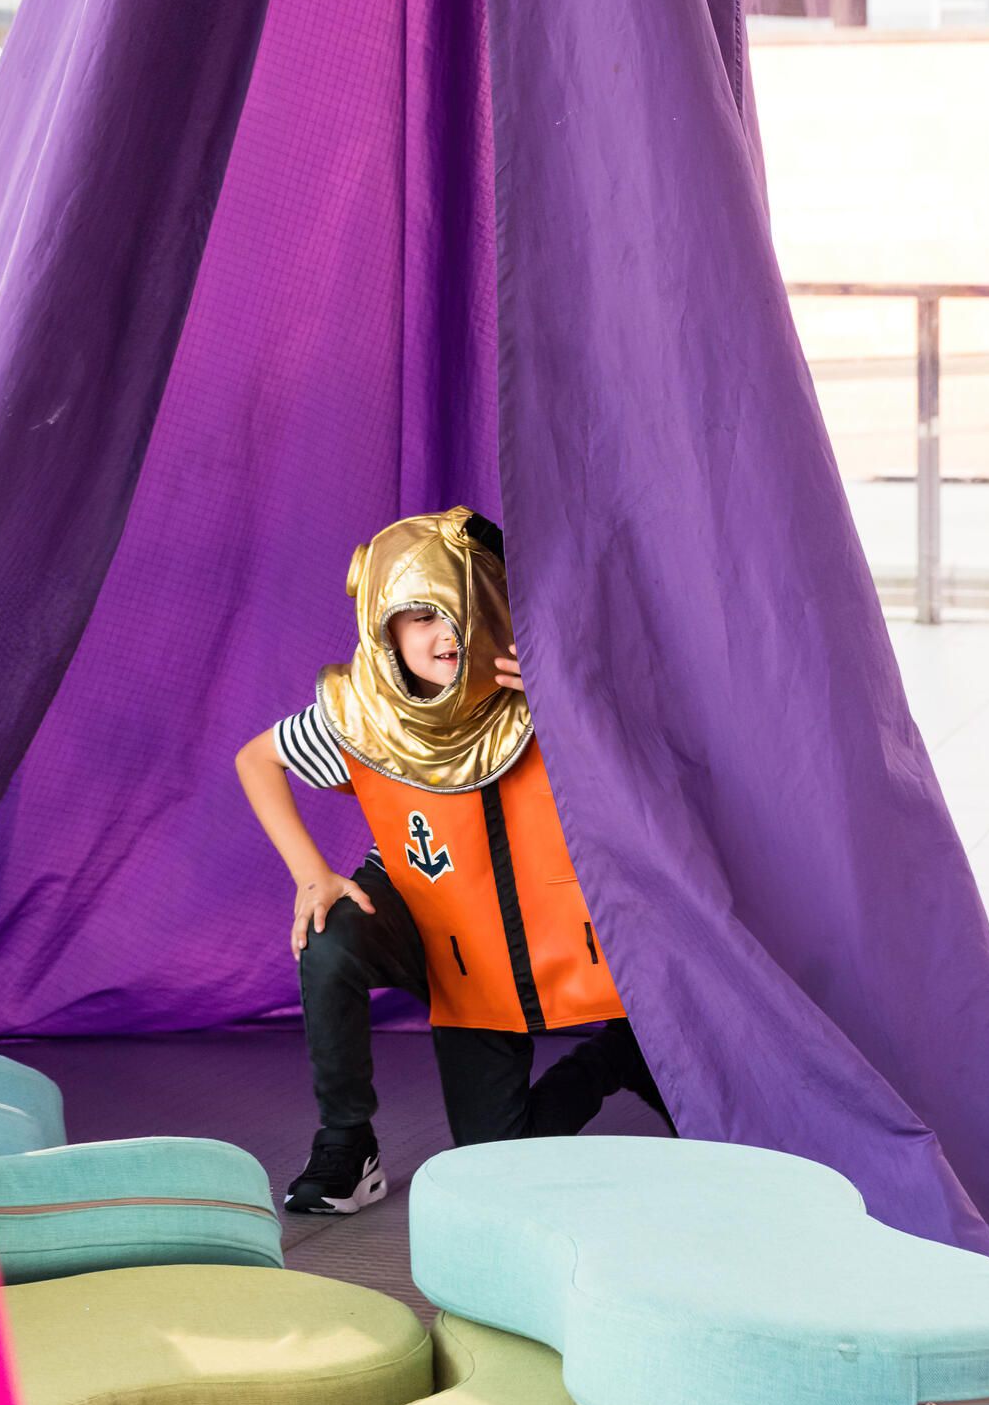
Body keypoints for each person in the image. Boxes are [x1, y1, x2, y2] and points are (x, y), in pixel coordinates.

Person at [235, 506, 668, 1215]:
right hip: (447, 946)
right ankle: (348, 1145)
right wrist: (313, 874)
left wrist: (574, 708)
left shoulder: (546, 695)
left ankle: (626, 1050)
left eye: (455, 610)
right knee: (328, 940)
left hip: (552, 932)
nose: (442, 633)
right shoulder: (362, 716)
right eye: (416, 616)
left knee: (725, 1132)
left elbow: (653, 785)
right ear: (383, 627)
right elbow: (257, 759)